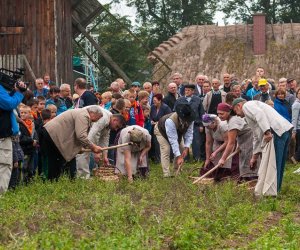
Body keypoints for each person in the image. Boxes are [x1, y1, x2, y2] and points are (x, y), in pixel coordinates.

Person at [232, 98, 293, 192]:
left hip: (276, 132)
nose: (237, 114)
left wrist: (267, 132)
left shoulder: (247, 106)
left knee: (275, 164)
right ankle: (277, 190)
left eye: (235, 110)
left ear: (239, 106)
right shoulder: (249, 113)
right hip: (284, 130)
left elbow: (259, 114)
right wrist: (254, 157)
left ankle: (273, 192)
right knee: (278, 164)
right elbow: (256, 136)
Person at [42, 106, 104, 180]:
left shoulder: (80, 113)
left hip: (52, 135)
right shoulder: (83, 115)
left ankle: (58, 181)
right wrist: (93, 147)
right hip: (52, 135)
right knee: (54, 162)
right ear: (93, 113)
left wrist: (79, 148)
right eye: (98, 117)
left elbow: (74, 134)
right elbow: (81, 136)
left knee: (57, 162)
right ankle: (52, 182)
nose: (97, 120)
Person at [76, 108, 126, 179]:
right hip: (82, 128)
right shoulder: (105, 118)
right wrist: (95, 151)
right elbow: (93, 133)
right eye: (117, 126)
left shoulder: (108, 122)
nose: (115, 129)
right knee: (84, 153)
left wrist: (105, 156)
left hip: (86, 132)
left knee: (87, 153)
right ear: (115, 120)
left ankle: (85, 176)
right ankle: (82, 178)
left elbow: (104, 140)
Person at [217, 103, 257, 181]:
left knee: (248, 160)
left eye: (222, 113)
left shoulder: (233, 122)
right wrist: (238, 146)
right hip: (244, 139)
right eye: (218, 113)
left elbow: (231, 143)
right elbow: (238, 134)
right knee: (243, 159)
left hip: (250, 139)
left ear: (228, 112)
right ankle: (247, 179)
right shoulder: (231, 120)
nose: (219, 116)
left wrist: (223, 159)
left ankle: (252, 180)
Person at [154, 104, 195, 177]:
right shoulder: (170, 121)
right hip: (161, 130)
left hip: (177, 132)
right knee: (166, 149)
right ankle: (166, 174)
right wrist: (179, 156)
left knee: (182, 148)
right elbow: (173, 140)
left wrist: (186, 148)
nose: (187, 121)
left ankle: (176, 170)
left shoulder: (191, 119)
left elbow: (189, 134)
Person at [0, 80, 26, 193]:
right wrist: (19, 93)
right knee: (4, 165)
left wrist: (14, 92)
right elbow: (9, 104)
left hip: (4, 135)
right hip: (2, 136)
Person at [175, 84, 205, 162]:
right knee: (184, 142)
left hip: (196, 124)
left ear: (193, 91)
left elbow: (202, 113)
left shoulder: (197, 99)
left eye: (188, 90)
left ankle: (197, 158)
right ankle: (185, 158)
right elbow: (175, 112)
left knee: (196, 142)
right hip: (184, 125)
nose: (187, 92)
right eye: (186, 90)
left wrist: (202, 125)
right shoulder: (179, 100)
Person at [201, 114, 235, 180]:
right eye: (206, 126)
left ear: (214, 122)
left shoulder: (223, 126)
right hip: (217, 142)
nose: (207, 127)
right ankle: (215, 177)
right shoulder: (207, 127)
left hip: (228, 143)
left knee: (226, 161)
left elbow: (227, 141)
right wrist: (207, 159)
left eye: (208, 125)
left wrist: (215, 152)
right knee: (214, 160)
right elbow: (208, 143)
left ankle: (226, 177)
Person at [18, 105, 38, 183]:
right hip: (23, 149)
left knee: (31, 167)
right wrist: (31, 140)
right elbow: (21, 137)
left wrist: (36, 140)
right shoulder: (19, 124)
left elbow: (35, 133)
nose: (22, 114)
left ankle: (29, 181)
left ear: (30, 114)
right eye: (21, 112)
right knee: (24, 167)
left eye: (25, 113)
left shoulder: (32, 123)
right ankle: (23, 182)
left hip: (31, 149)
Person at [150, 93, 172, 163]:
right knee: (156, 143)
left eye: (155, 100)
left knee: (164, 144)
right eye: (153, 100)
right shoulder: (153, 107)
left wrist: (159, 122)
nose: (154, 102)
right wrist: (151, 121)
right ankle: (157, 159)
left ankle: (168, 158)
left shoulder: (165, 108)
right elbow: (150, 116)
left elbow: (169, 117)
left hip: (163, 129)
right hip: (155, 128)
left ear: (159, 101)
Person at [292, 88, 300, 165]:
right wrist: (294, 131)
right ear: (297, 94)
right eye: (299, 93)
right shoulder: (296, 104)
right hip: (298, 128)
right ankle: (295, 158)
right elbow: (294, 118)